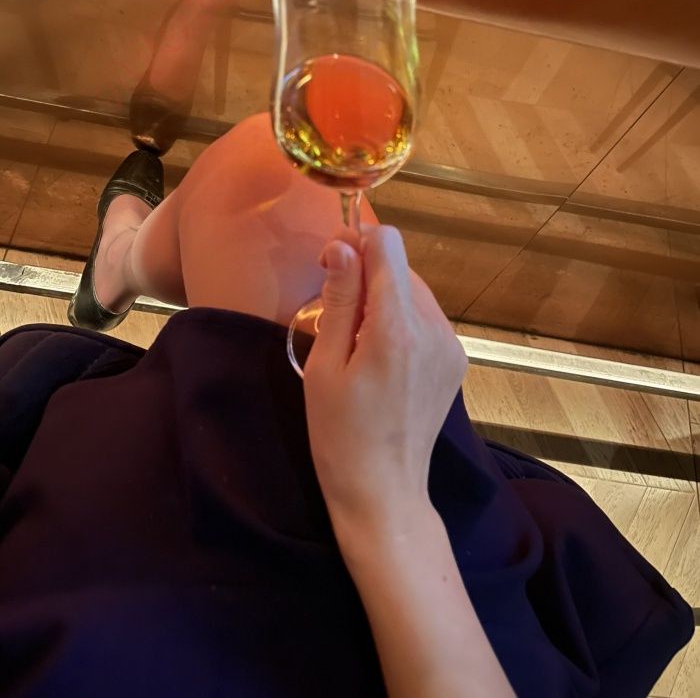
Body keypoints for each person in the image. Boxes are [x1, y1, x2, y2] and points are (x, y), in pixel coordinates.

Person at [0, 113, 693, 697]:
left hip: (110, 629)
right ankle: (119, 268)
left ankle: (119, 266)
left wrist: (383, 501)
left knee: (265, 175)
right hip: (451, 639)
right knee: (276, 176)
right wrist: (390, 505)